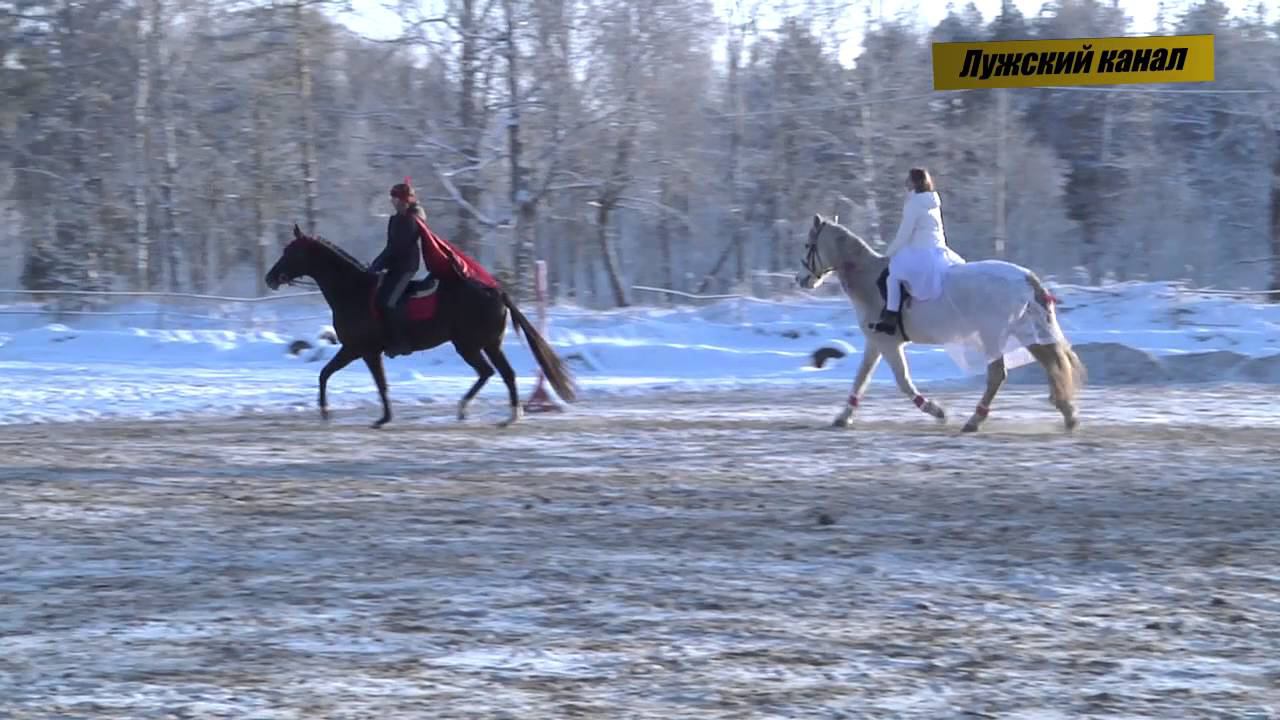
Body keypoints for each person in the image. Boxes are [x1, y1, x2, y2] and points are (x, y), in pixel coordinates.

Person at [370, 179, 503, 357]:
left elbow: (398, 248)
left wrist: (378, 265)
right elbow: (390, 247)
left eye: (395, 198)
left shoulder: (410, 220)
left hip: (405, 267)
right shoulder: (397, 219)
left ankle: (400, 341)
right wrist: (375, 264)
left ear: (404, 201)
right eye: (392, 198)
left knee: (388, 302)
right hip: (395, 266)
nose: (392, 202)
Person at [869, 167, 966, 335]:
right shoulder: (933, 201)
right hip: (939, 251)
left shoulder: (914, 204)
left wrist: (888, 253)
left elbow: (904, 234)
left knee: (891, 278)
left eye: (908, 179)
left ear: (913, 182)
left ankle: (891, 319)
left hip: (921, 253)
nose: (905, 182)